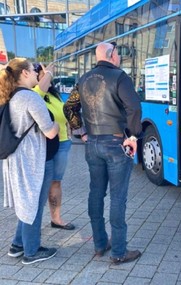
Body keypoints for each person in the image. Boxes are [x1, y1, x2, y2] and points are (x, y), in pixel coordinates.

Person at [64, 41, 143, 264]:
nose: (118, 56)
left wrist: (81, 133)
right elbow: (134, 107)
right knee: (118, 198)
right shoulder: (119, 77)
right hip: (117, 143)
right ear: (112, 55)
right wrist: (133, 136)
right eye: (117, 53)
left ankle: (100, 244)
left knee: (96, 193)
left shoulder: (83, 79)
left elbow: (69, 107)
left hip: (93, 144)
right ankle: (119, 251)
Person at [1, 58, 60, 264]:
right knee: (33, 203)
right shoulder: (30, 97)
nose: (38, 73)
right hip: (32, 160)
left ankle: (18, 245)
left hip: (15, 159)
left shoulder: (9, 95)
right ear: (24, 73)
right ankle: (31, 251)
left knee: (27, 201)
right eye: (34, 70)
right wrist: (58, 126)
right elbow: (50, 132)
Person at [33, 63, 75, 231]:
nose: (49, 78)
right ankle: (32, 225)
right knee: (45, 185)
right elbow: (39, 90)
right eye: (44, 75)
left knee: (56, 182)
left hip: (63, 142)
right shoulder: (36, 94)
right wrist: (48, 72)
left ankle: (56, 219)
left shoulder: (54, 94)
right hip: (48, 145)